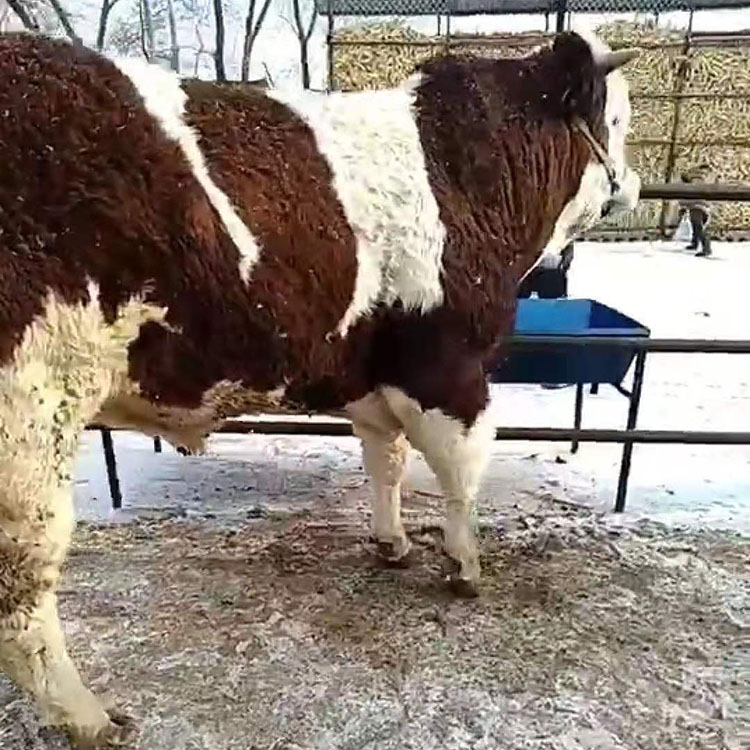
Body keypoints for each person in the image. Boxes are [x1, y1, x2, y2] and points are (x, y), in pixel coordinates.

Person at [678, 164, 712, 258]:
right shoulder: (701, 180)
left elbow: (689, 196)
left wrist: (682, 205)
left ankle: (706, 248)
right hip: (702, 206)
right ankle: (695, 243)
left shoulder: (694, 182)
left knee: (698, 227)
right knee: (696, 226)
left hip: (697, 206)